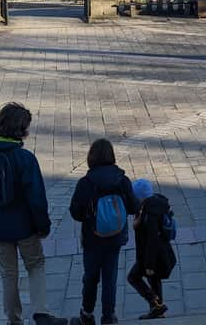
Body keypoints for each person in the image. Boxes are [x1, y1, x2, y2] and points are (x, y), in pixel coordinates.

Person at [0, 103, 67, 325]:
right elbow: (37, 198)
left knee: (8, 273)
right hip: (25, 226)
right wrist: (43, 226)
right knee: (35, 264)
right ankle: (40, 312)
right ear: (21, 129)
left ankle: (14, 319)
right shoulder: (24, 158)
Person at [69, 139, 139, 325]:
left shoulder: (86, 183)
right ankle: (109, 316)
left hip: (92, 238)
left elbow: (75, 212)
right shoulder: (122, 180)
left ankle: (87, 313)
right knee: (111, 277)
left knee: (90, 277)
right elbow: (133, 207)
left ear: (91, 157)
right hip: (115, 238)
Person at [128, 179, 177, 320]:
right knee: (154, 281)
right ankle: (158, 309)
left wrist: (149, 265)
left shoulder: (150, 212)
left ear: (141, 196)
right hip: (157, 254)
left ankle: (155, 304)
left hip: (151, 256)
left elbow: (152, 240)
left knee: (133, 277)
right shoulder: (153, 204)